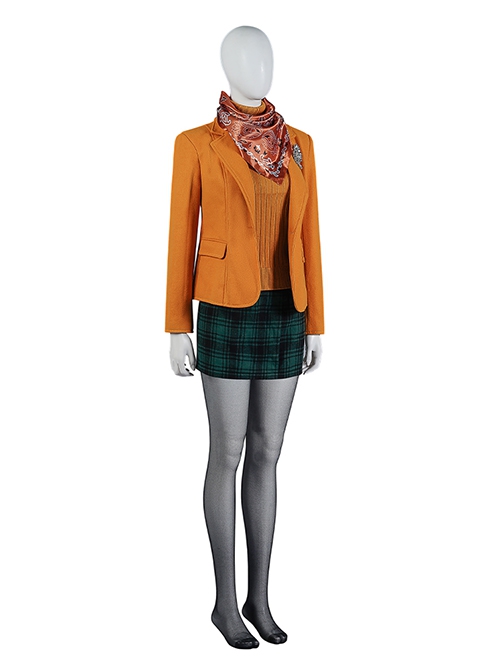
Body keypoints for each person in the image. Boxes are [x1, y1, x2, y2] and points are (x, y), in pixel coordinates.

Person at [164, 26, 324, 648]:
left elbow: (310, 237)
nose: (260, 66)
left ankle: (260, 598)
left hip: (286, 311)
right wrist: (177, 325)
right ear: (226, 65)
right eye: (246, 56)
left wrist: (317, 322)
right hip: (225, 310)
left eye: (266, 55)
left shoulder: (300, 146)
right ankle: (224, 603)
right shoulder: (196, 144)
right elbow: (181, 235)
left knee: (268, 452)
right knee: (226, 452)